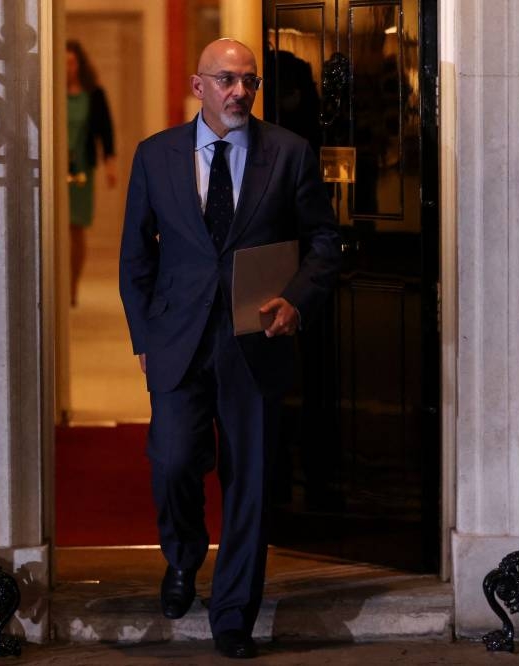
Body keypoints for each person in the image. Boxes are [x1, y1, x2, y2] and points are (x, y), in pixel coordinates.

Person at [118, 38, 340, 659]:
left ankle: (235, 613)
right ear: (199, 88)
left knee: (251, 482)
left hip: (256, 340)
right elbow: (136, 256)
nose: (240, 91)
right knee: (172, 459)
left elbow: (324, 242)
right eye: (227, 80)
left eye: (249, 81)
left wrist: (297, 300)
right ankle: (184, 557)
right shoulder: (155, 156)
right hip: (177, 340)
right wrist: (144, 337)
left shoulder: (289, 154)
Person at [66, 40, 117, 306]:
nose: (67, 68)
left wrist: (110, 164)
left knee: (76, 227)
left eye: (71, 63)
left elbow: (105, 131)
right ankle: (57, 282)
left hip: (82, 169)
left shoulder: (93, 93)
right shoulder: (50, 92)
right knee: (55, 227)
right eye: (63, 63)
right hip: (56, 169)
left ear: (79, 65)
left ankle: (72, 283)